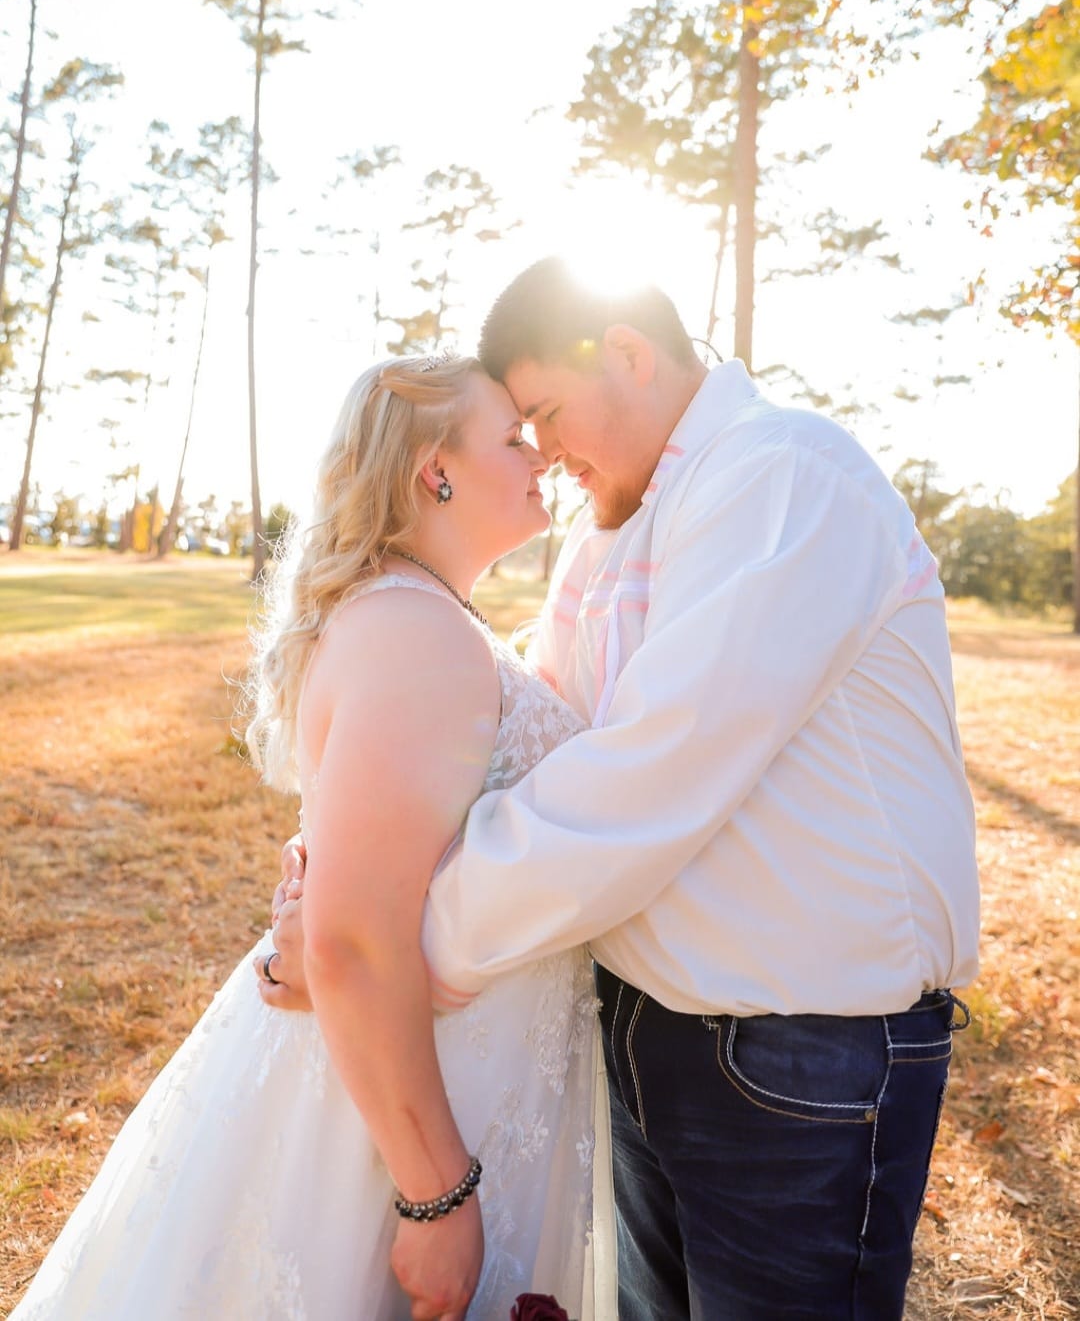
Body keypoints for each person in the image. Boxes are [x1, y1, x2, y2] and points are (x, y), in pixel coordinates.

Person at [269, 259, 980, 1321]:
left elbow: (651, 772)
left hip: (800, 1055)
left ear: (633, 356)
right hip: (649, 1036)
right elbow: (527, 737)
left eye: (546, 413)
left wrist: (397, 941)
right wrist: (346, 882)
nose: (544, 455)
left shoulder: (782, 471)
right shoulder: (614, 533)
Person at [10, 354, 609, 1321]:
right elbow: (351, 938)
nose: (537, 449)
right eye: (511, 435)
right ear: (434, 468)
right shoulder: (412, 629)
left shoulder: (421, 615)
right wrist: (436, 1191)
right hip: (391, 1125)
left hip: (449, 1078)